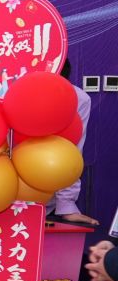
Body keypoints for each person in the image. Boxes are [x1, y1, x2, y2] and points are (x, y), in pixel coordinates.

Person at [49, 60, 98, 226]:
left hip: (44, 201)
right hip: (1, 198)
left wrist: (66, 205)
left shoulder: (77, 99)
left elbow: (71, 150)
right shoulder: (4, 92)